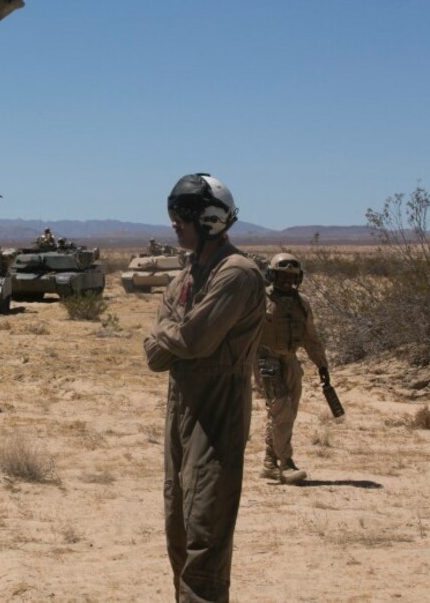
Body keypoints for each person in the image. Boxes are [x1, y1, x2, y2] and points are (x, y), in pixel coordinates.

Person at [143, 173, 265, 602]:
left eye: (182, 216)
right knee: (177, 526)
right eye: (173, 214)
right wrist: (174, 338)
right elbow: (157, 351)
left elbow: (196, 340)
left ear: (209, 219)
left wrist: (172, 337)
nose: (174, 223)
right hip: (180, 410)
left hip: (217, 414)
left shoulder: (238, 274)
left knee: (205, 535)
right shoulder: (186, 276)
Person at [257, 253, 330, 484]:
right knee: (281, 409)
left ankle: (270, 462)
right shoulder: (260, 300)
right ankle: (286, 464)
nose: (287, 281)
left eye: (292, 276)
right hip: (265, 360)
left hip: (290, 362)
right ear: (272, 276)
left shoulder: (302, 303)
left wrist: (321, 364)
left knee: (286, 413)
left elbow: (311, 337)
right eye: (282, 276)